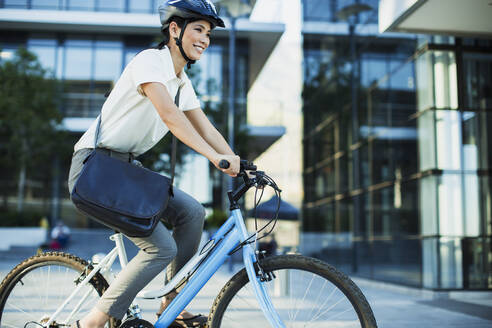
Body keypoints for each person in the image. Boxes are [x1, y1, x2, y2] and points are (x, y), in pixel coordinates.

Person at [67, 1, 240, 327]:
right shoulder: (150, 61)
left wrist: (240, 162)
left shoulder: (181, 81)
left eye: (209, 33)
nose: (205, 39)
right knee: (160, 248)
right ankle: (92, 321)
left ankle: (170, 305)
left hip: (125, 170)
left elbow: (206, 127)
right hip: (95, 167)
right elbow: (170, 116)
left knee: (193, 213)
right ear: (175, 29)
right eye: (198, 29)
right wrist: (215, 158)